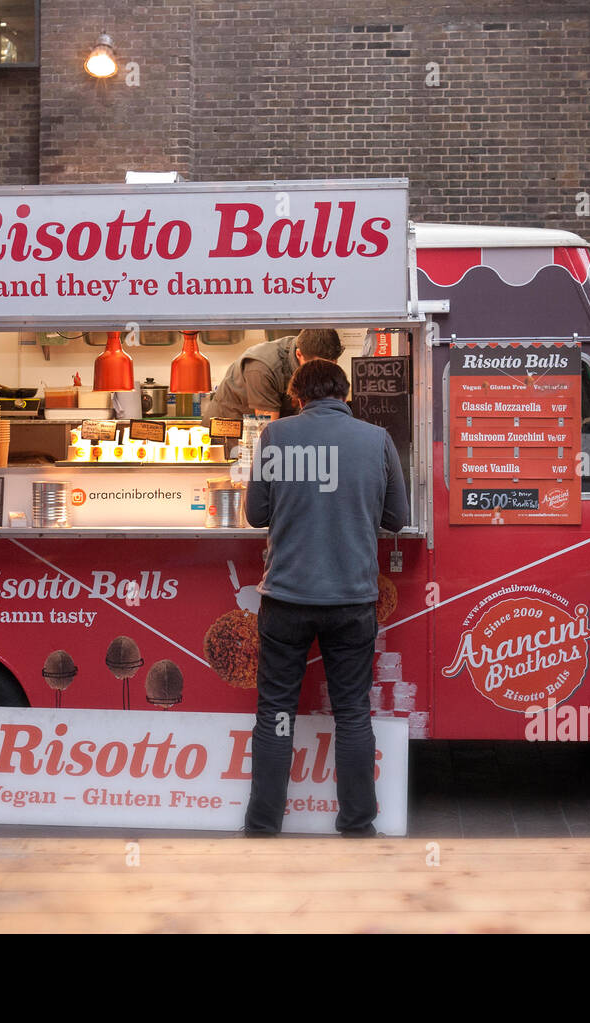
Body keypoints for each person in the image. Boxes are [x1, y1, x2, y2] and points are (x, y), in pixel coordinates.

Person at [243, 358, 409, 837]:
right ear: (345, 395)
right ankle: (357, 824)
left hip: (286, 600)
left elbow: (255, 514)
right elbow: (397, 518)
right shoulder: (376, 440)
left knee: (276, 712)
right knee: (353, 713)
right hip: (352, 600)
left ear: (297, 397)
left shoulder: (275, 437)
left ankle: (262, 823)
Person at [202, 328, 343, 424]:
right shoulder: (263, 368)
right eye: (317, 367)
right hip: (229, 437)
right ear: (299, 354)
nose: (324, 374)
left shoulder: (309, 351)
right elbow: (268, 430)